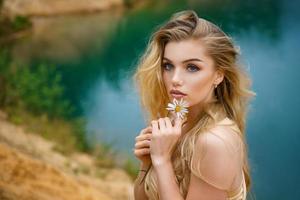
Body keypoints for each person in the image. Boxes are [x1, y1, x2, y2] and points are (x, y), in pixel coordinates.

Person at [133, 10, 255, 200]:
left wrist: (162, 160)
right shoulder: (176, 119)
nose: (175, 79)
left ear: (218, 75)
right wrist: (148, 163)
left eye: (192, 67)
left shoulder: (214, 142)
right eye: (168, 66)